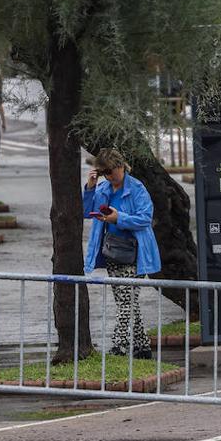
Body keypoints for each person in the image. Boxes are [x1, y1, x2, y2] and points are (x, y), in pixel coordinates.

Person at [83, 148, 161, 357]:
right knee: (126, 301)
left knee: (126, 301)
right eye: (104, 172)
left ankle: (118, 345)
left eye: (111, 171)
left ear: (121, 166)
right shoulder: (103, 189)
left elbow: (145, 218)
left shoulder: (136, 188)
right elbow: (86, 212)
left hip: (135, 253)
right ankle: (142, 347)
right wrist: (90, 188)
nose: (109, 176)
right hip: (112, 253)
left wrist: (119, 218)